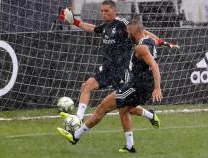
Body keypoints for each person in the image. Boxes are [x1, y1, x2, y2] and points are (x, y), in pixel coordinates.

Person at [57, 19, 162, 153]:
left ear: (134, 33)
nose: (127, 35)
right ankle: (130, 146)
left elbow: (154, 65)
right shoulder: (150, 41)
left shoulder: (140, 47)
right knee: (124, 110)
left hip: (136, 86)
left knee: (102, 107)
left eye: (129, 33)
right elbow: (151, 56)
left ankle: (75, 136)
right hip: (144, 87)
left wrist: (158, 87)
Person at [60, 0, 167, 126]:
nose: (103, 13)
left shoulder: (121, 23)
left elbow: (141, 31)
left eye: (107, 11)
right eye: (102, 11)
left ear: (114, 11)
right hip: (107, 69)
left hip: (122, 72)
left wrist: (160, 41)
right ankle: (78, 118)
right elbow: (90, 28)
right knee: (86, 86)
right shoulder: (105, 27)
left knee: (125, 108)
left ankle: (150, 115)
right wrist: (75, 22)